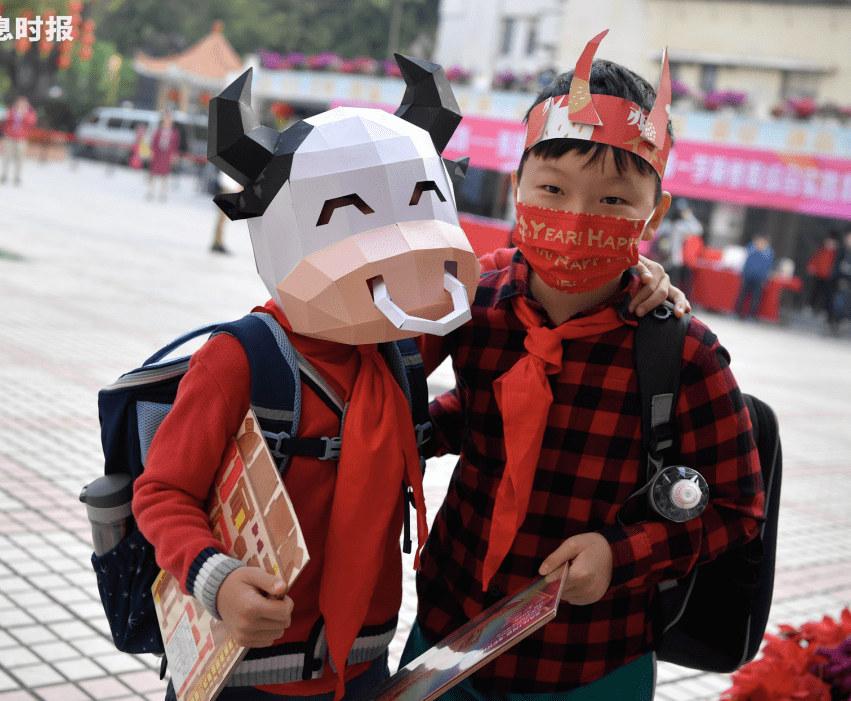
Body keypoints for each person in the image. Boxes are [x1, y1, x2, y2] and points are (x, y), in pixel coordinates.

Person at [132, 61, 685, 701]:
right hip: (245, 665)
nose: (393, 247)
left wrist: (637, 274)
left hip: (368, 664)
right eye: (348, 215)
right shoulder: (244, 359)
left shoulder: (399, 344)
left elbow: (441, 385)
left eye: (415, 210)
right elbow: (163, 491)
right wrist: (216, 579)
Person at [404, 32, 763, 701]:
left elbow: (739, 506)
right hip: (447, 626)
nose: (575, 220)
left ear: (652, 214)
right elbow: (467, 410)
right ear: (516, 187)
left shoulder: (685, 351)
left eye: (612, 201)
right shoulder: (469, 298)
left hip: (592, 658)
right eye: (552, 187)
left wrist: (622, 553)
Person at [828, 229, 851, 334]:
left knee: (844, 304)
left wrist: (848, 281)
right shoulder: (842, 251)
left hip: (848, 283)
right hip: (837, 281)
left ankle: (839, 323)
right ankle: (830, 323)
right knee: (834, 303)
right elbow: (836, 266)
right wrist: (839, 279)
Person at [734, 236, 775, 320]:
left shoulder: (769, 253)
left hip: (759, 278)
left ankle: (752, 316)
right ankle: (736, 313)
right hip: (748, 275)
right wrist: (743, 274)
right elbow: (745, 263)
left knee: (756, 297)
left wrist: (765, 279)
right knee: (742, 295)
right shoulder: (751, 249)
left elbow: (768, 267)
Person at [0, 95, 37, 185]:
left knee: (20, 159)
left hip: (21, 138)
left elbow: (32, 123)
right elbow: (6, 120)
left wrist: (24, 113)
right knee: (6, 157)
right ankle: (4, 175)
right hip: (10, 137)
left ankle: (17, 177)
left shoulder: (30, 112)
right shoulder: (12, 110)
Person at [146, 113, 180, 201]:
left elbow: (175, 146)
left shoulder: (174, 133)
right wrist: (151, 152)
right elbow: (153, 143)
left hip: (167, 156)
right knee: (153, 174)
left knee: (165, 176)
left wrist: (174, 155)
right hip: (158, 154)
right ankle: (150, 191)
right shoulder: (158, 131)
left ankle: (162, 193)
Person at [805, 233, 838, 318]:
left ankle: (823, 310)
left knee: (826, 295)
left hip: (828, 277)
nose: (829, 244)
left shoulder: (835, 253)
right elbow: (814, 259)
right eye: (828, 242)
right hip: (818, 275)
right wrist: (810, 266)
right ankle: (810, 307)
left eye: (831, 243)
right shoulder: (821, 250)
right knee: (814, 292)